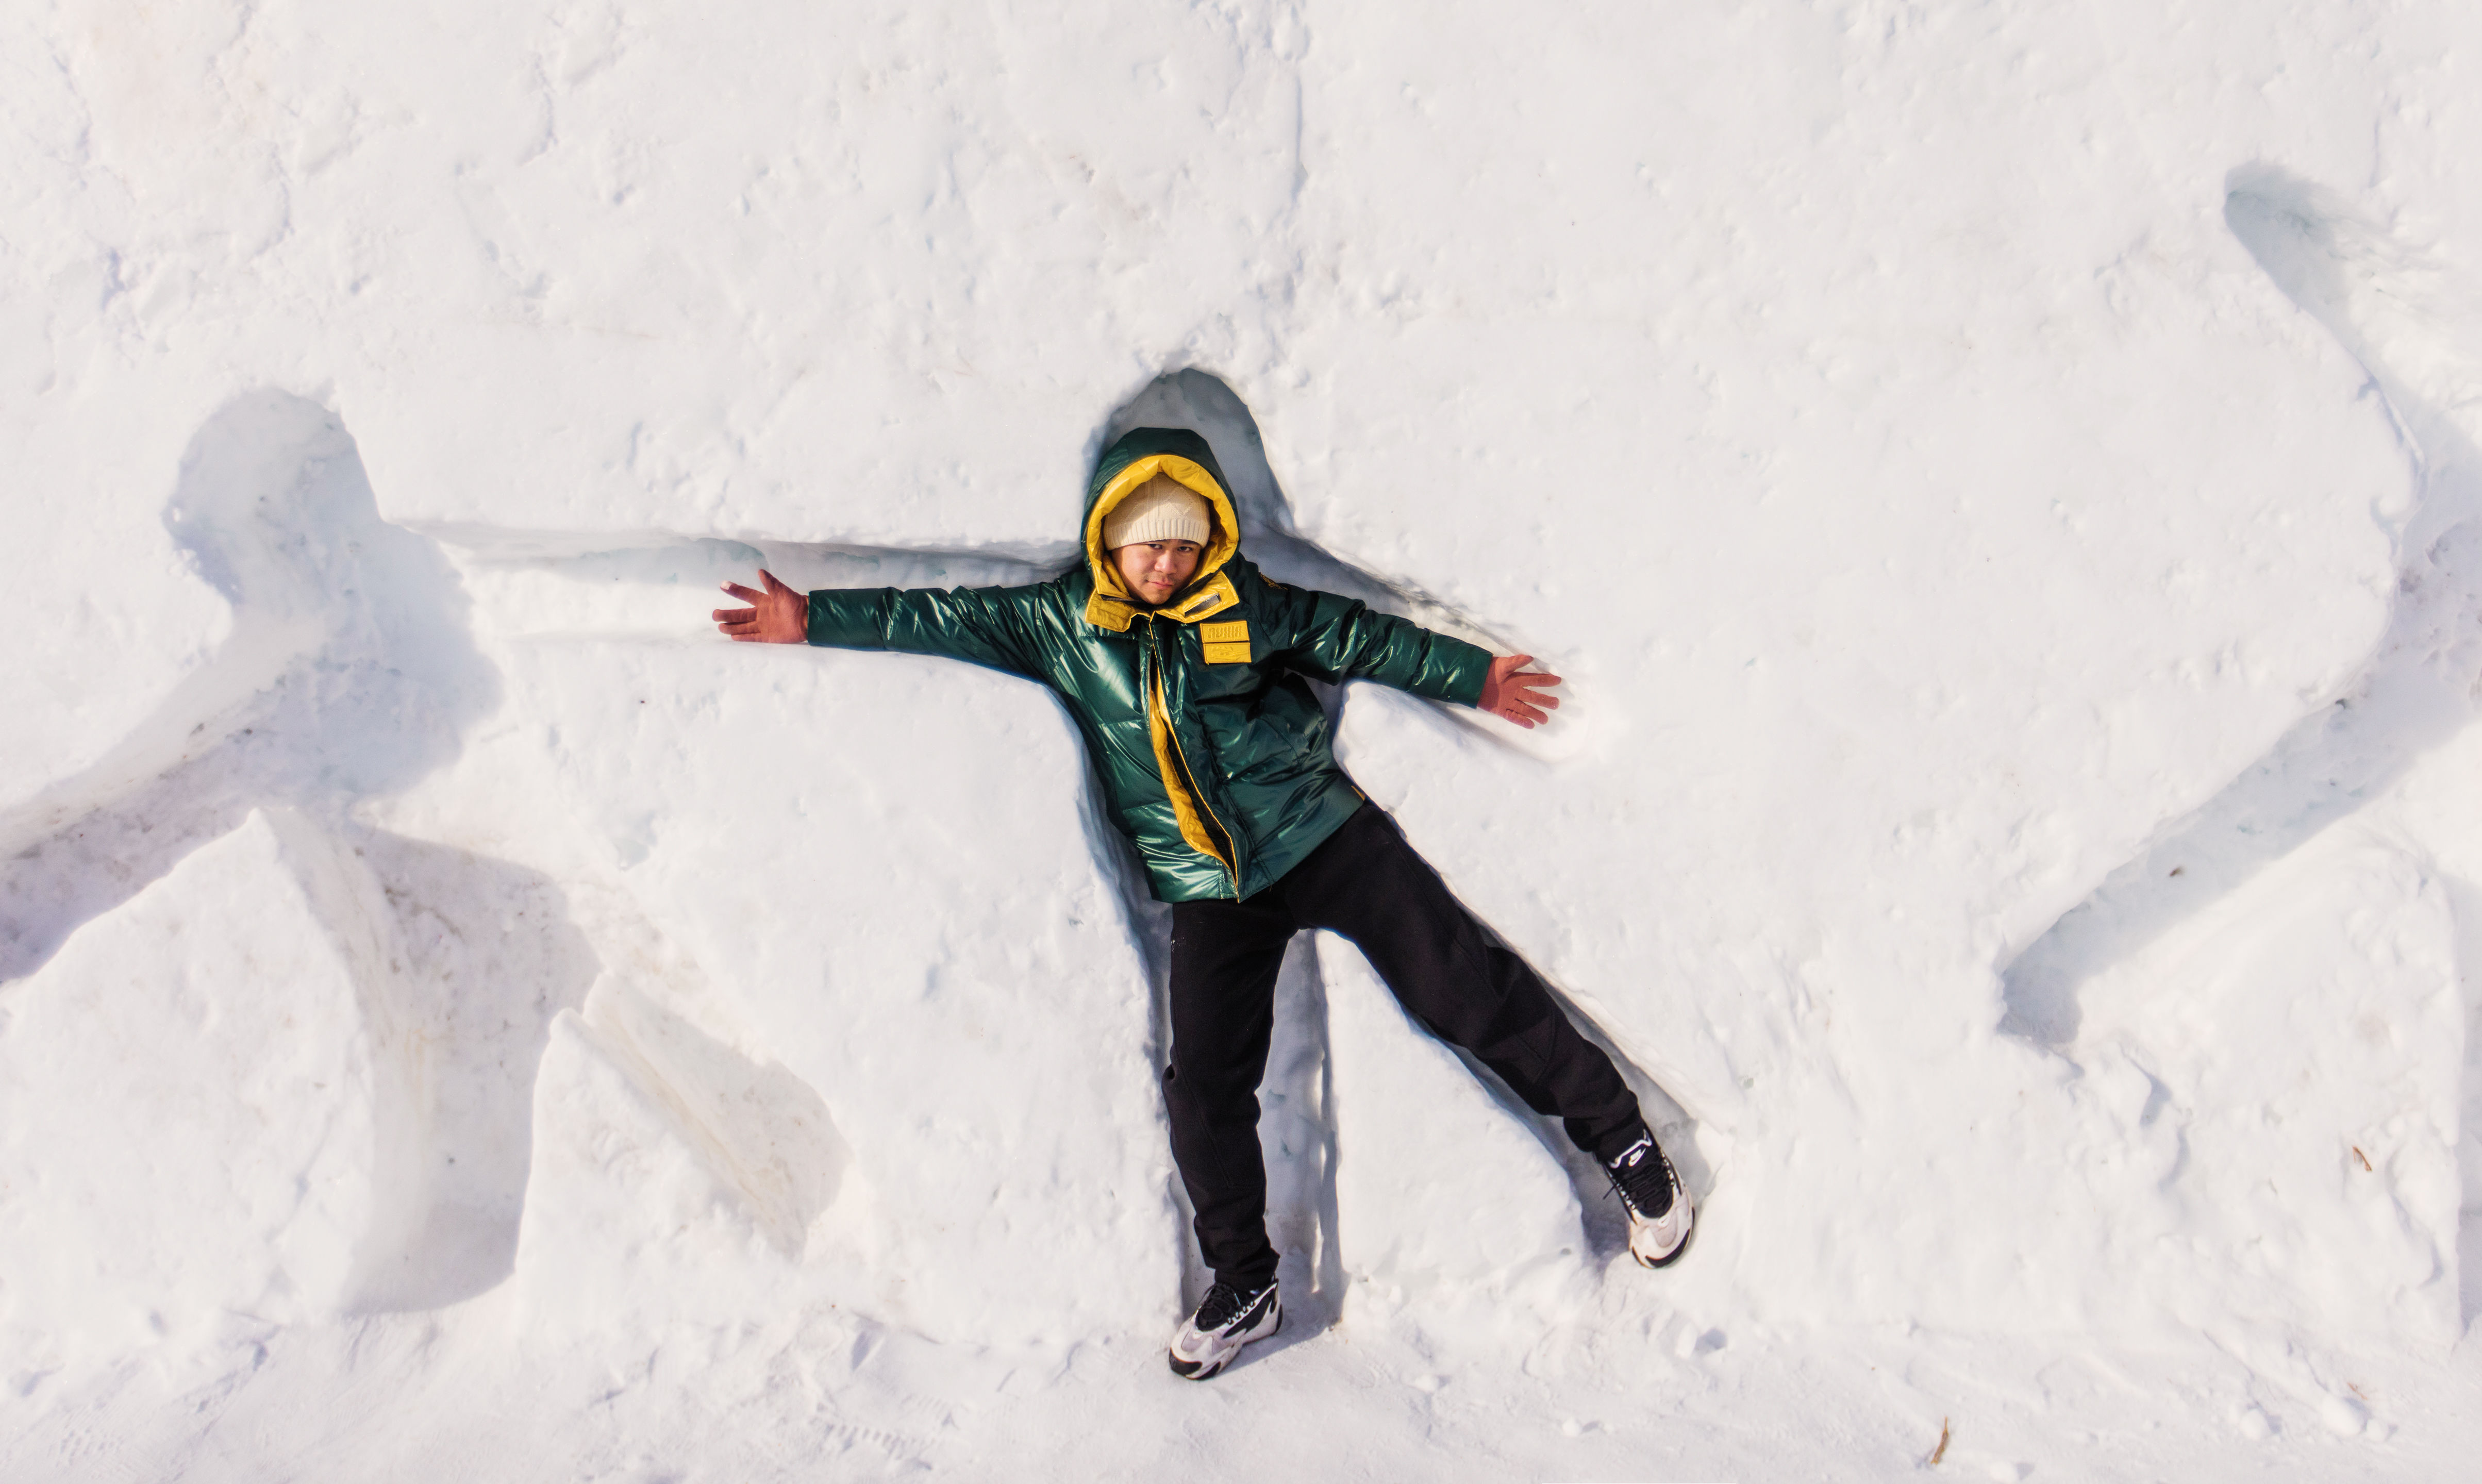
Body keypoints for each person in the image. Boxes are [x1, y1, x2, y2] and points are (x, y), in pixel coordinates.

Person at [713, 426, 1692, 1380]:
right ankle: (1245, 1281)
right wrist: (812, 615)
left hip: (1324, 834)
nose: (1168, 563)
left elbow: (1355, 635)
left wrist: (1475, 676)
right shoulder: (1061, 622)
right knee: (1205, 1087)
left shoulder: (1246, 603)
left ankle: (1628, 1144)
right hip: (1213, 889)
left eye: (1185, 543)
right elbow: (936, 616)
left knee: (1467, 992)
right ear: (1112, 537)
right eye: (1153, 544)